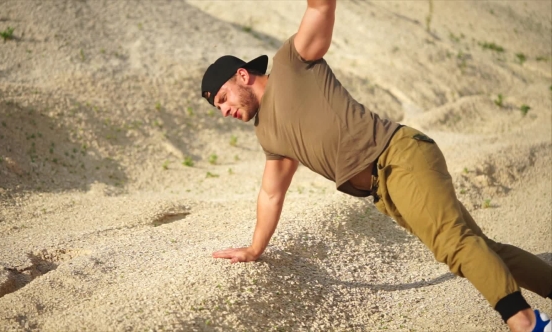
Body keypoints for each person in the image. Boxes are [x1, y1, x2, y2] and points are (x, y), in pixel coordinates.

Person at [200, 1, 552, 331]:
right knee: (480, 248)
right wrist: (254, 249)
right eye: (219, 108)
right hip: (383, 190)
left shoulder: (292, 62)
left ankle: (526, 322)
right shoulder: (268, 135)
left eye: (223, 99)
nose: (225, 111)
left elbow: (320, 6)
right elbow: (270, 194)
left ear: (243, 76)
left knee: (453, 244)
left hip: (398, 156)